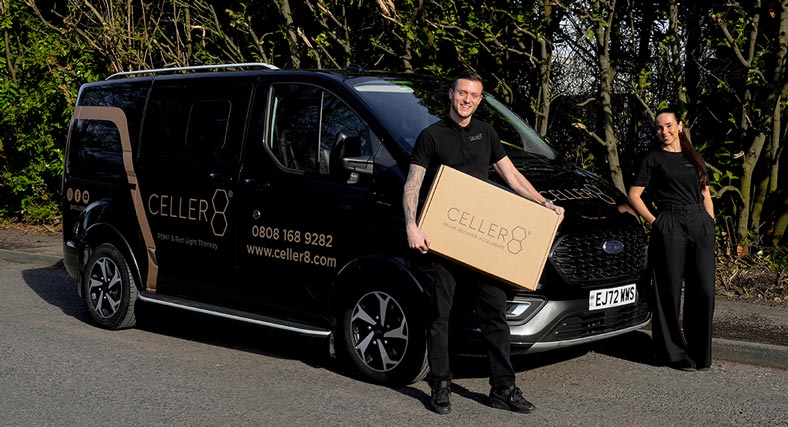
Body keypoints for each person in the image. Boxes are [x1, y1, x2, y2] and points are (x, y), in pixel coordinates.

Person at [402, 70, 564, 415]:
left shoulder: (486, 133)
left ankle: (503, 388)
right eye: (463, 93)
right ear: (451, 94)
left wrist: (543, 204)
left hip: (481, 243)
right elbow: (412, 184)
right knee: (439, 316)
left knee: (494, 314)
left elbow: (511, 175)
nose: (467, 100)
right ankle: (441, 385)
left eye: (474, 95)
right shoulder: (431, 136)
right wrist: (412, 226)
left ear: (479, 99)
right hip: (441, 241)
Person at [627, 108, 716, 372]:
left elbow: (705, 192)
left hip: (699, 222)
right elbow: (634, 195)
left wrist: (709, 222)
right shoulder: (652, 159)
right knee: (668, 289)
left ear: (679, 126)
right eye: (658, 128)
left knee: (704, 290)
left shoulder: (693, 156)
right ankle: (673, 353)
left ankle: (700, 352)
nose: (663, 132)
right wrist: (657, 222)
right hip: (670, 222)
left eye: (668, 126)